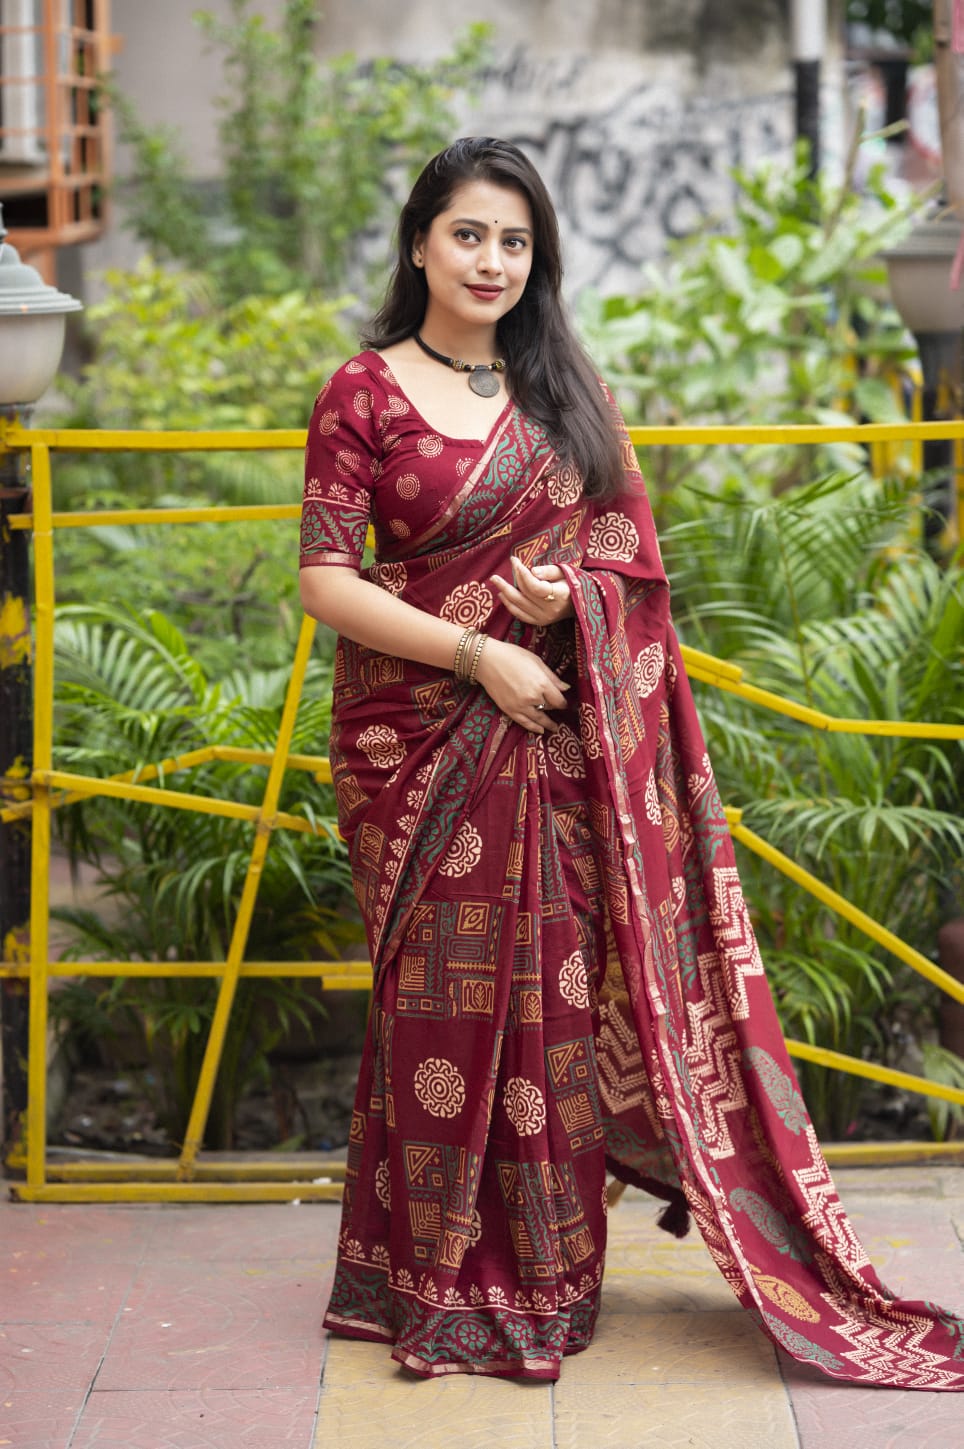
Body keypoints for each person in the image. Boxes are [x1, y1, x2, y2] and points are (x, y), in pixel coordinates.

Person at [299, 137, 964, 1385]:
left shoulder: (564, 395)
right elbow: (324, 581)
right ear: (418, 244)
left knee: (549, 1004)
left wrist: (570, 611)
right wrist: (475, 654)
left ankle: (546, 1275)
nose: (492, 260)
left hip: (554, 744)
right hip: (418, 750)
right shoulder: (363, 392)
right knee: (433, 1008)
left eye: (515, 241)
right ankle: (420, 1274)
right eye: (468, 235)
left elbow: (635, 575)